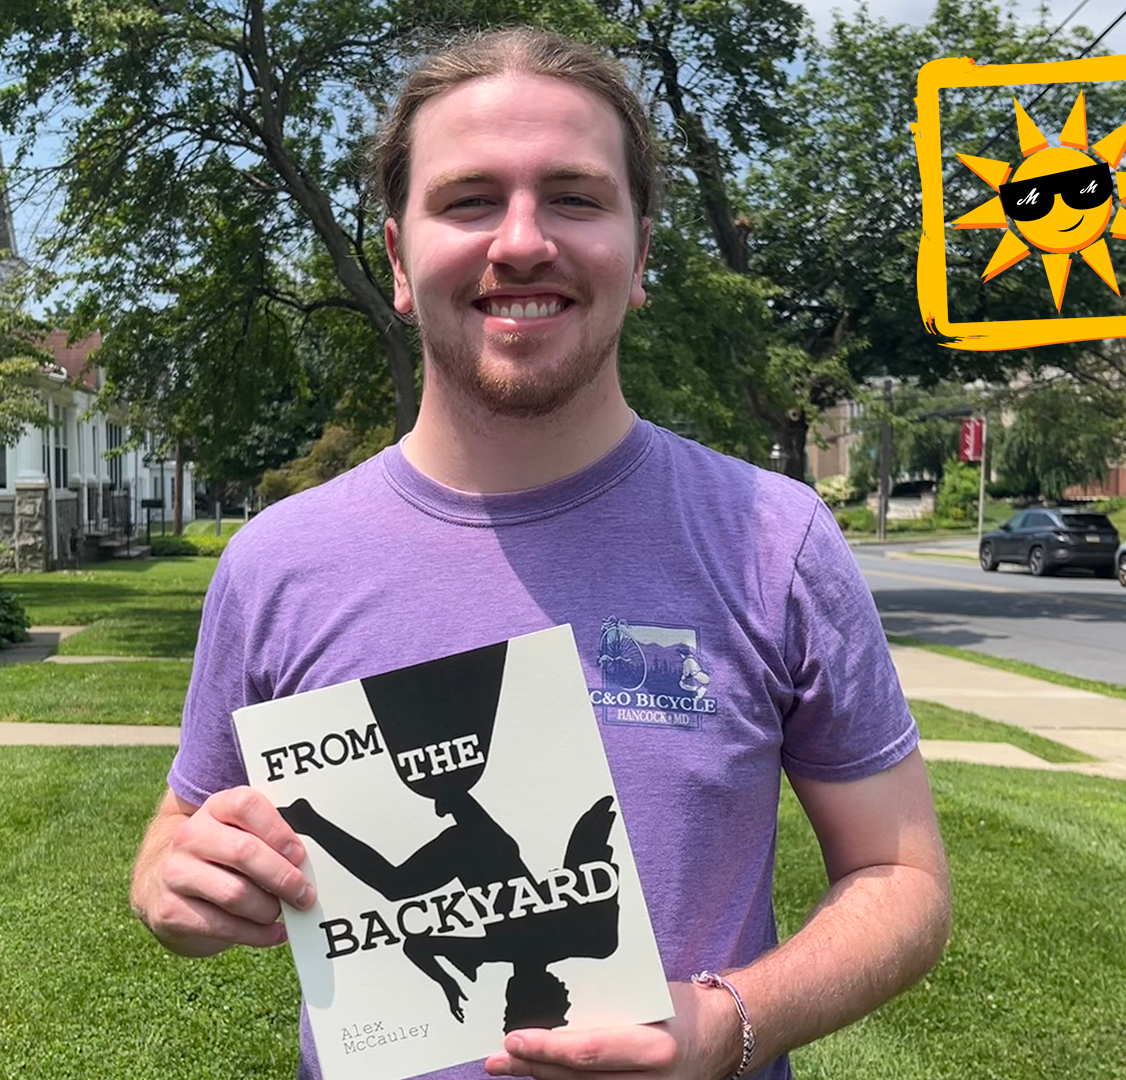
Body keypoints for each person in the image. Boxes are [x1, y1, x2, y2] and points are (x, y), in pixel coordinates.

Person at [128, 26, 951, 1080]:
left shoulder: (774, 538)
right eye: (470, 200)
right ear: (395, 257)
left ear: (640, 251)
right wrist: (172, 879)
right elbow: (180, 827)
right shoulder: (277, 562)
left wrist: (728, 1024)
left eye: (573, 196)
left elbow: (903, 876)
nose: (521, 242)